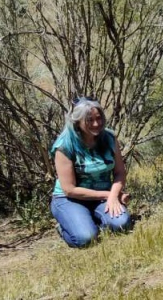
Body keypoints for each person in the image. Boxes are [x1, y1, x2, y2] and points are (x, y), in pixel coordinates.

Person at [49, 98, 131, 248]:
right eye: (89, 120)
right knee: (86, 238)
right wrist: (110, 196)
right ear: (78, 121)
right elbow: (70, 189)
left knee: (122, 225)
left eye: (99, 118)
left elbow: (120, 172)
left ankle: (90, 219)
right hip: (70, 199)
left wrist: (113, 195)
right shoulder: (64, 145)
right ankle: (65, 227)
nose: (96, 124)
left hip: (102, 196)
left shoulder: (109, 138)